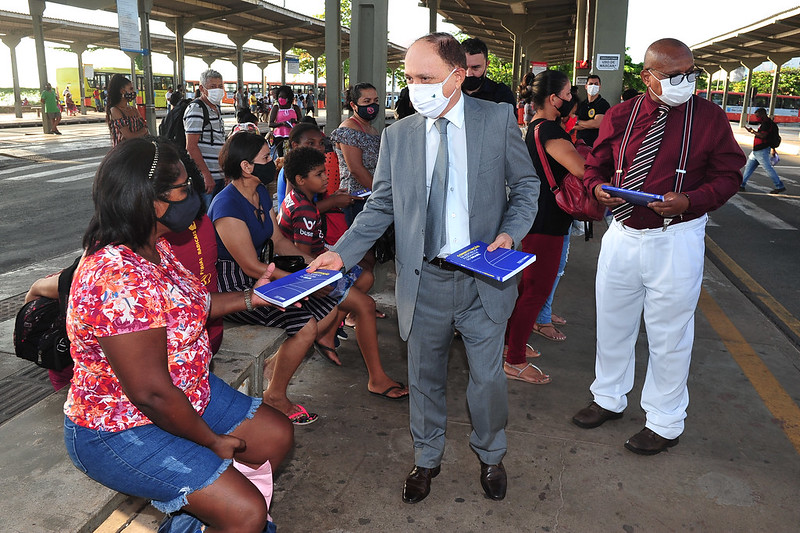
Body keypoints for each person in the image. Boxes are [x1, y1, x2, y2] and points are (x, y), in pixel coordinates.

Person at [307, 32, 538, 503]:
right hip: (424, 280)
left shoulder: (496, 120)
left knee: (488, 379)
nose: (416, 88)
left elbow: (527, 185)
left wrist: (511, 233)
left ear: (457, 76)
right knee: (424, 378)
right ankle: (426, 458)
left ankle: (491, 454)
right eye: (409, 77)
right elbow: (381, 205)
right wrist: (342, 251)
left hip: (482, 279)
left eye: (426, 77)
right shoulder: (400, 134)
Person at [63, 138, 293, 532]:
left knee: (274, 437)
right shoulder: (117, 277)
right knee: (245, 511)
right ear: (149, 200)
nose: (195, 195)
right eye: (184, 188)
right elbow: (150, 393)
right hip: (119, 424)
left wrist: (255, 297)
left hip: (186, 391)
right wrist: (210, 441)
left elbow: (195, 304)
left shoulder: (154, 245)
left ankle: (192, 520)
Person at [573, 38, 746, 455]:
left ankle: (665, 421)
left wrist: (690, 201)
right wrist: (597, 188)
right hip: (623, 235)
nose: (686, 81)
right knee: (613, 323)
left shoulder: (710, 117)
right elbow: (596, 162)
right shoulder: (621, 114)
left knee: (670, 335)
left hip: (677, 238)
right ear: (648, 76)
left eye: (691, 73)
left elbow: (730, 175)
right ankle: (608, 398)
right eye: (675, 75)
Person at [209, 131, 340, 425]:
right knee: (305, 325)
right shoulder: (227, 206)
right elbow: (252, 266)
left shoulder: (258, 194)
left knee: (331, 301)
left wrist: (313, 264)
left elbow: (278, 241)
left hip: (264, 278)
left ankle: (275, 366)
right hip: (237, 289)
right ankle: (276, 396)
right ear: (246, 167)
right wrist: (301, 282)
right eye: (267, 158)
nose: (274, 162)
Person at [278, 147, 408, 399]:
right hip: (305, 276)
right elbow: (304, 259)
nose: (326, 177)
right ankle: (377, 379)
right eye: (319, 174)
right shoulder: (304, 210)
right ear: (301, 180)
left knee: (366, 276)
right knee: (366, 306)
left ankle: (328, 330)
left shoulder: (300, 198)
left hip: (310, 266)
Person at [503, 69, 584, 384]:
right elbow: (580, 170)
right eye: (566, 94)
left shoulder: (535, 127)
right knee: (536, 292)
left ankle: (512, 345)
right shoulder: (552, 131)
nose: (570, 99)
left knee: (525, 289)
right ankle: (514, 360)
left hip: (534, 217)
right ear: (553, 99)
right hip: (547, 222)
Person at [329, 83, 381, 225]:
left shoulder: (372, 129)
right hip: (356, 199)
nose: (372, 105)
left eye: (375, 101)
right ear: (353, 105)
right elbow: (356, 169)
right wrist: (380, 192)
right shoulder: (348, 130)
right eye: (367, 101)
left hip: (371, 196)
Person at [184, 69, 227, 208]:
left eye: (220, 86)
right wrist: (206, 175)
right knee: (205, 220)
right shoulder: (197, 108)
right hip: (208, 179)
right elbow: (191, 146)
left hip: (219, 176)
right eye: (213, 86)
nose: (218, 90)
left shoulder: (215, 108)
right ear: (202, 88)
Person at [460, 37, 516, 106]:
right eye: (464, 67)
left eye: (475, 67)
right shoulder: (448, 92)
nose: (468, 74)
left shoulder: (501, 93)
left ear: (487, 65)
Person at [740, 107, 785, 194]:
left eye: (758, 116)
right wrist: (773, 149)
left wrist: (752, 131)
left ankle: (779, 186)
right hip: (757, 151)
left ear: (762, 115)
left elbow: (763, 136)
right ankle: (741, 184)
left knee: (767, 168)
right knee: (749, 167)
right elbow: (771, 137)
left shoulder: (766, 124)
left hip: (761, 150)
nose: (757, 118)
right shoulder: (770, 123)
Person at [106, 74, 148, 147]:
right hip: (123, 153)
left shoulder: (134, 109)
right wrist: (142, 132)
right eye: (131, 89)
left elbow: (146, 130)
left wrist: (139, 133)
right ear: (122, 91)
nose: (133, 92)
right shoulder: (115, 110)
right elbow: (129, 136)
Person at [573, 75, 610, 147]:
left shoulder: (603, 104)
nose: (593, 86)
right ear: (586, 86)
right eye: (590, 84)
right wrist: (589, 124)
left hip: (596, 146)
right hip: (581, 145)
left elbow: (597, 124)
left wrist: (578, 121)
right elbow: (573, 125)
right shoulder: (581, 104)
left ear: (600, 86)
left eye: (596, 84)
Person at [268, 86, 301, 159]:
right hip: (279, 137)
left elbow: (301, 122)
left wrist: (295, 121)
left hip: (293, 135)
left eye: (283, 97)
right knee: (281, 157)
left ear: (288, 98)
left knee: (293, 155)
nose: (281, 99)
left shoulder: (295, 108)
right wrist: (281, 123)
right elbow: (270, 123)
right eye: (279, 96)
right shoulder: (276, 108)